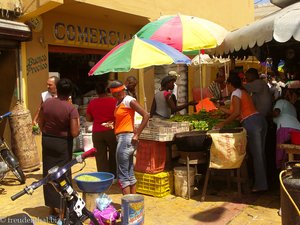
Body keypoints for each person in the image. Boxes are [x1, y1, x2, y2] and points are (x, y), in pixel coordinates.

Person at [214, 71, 268, 193]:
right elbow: (234, 111)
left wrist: (222, 123)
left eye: (227, 85)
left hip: (252, 122)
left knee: (257, 155)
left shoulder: (235, 93)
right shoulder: (242, 92)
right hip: (259, 120)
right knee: (260, 154)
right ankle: (263, 182)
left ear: (229, 84)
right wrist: (220, 108)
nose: (226, 87)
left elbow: (237, 113)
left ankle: (261, 185)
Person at [38, 78, 80, 220]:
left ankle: (51, 209)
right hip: (62, 143)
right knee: (63, 175)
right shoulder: (71, 108)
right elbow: (74, 133)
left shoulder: (47, 103)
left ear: (58, 89)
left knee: (48, 174)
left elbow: (40, 122)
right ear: (69, 93)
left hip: (47, 140)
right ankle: (62, 213)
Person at [109, 80, 149, 195]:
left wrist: (137, 134)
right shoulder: (119, 102)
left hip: (126, 139)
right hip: (125, 137)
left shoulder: (128, 100)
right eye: (113, 94)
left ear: (121, 90)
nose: (115, 96)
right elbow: (123, 119)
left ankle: (127, 204)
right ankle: (133, 203)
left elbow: (146, 115)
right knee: (129, 172)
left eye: (116, 93)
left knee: (122, 175)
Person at [86, 81, 117, 177]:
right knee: (114, 153)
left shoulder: (92, 102)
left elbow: (88, 118)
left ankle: (104, 176)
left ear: (96, 91)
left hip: (97, 132)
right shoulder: (114, 101)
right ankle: (114, 175)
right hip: (111, 130)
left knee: (100, 156)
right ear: (107, 90)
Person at [272, 96, 300, 169]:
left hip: (285, 127)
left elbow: (276, 112)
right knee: (295, 153)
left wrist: (268, 115)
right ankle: (294, 172)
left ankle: (282, 173)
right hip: (297, 129)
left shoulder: (281, 101)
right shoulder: (292, 107)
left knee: (282, 152)